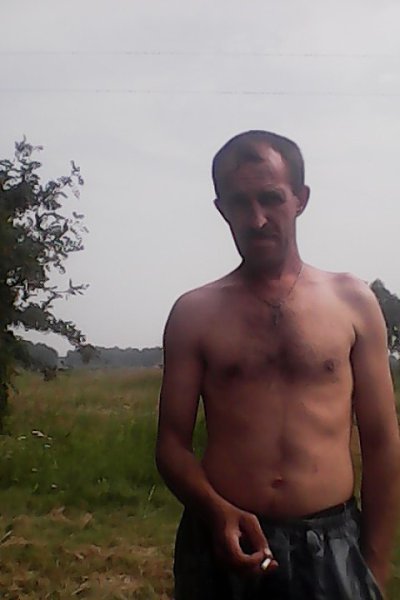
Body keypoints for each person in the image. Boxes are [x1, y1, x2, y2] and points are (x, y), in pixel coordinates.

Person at [156, 130, 400, 599]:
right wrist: (216, 511)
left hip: (331, 543)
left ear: (300, 199)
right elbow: (171, 445)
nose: (257, 219)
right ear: (221, 209)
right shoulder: (194, 313)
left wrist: (373, 565)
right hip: (223, 541)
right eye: (239, 202)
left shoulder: (352, 302)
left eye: (271, 198)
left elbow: (382, 443)